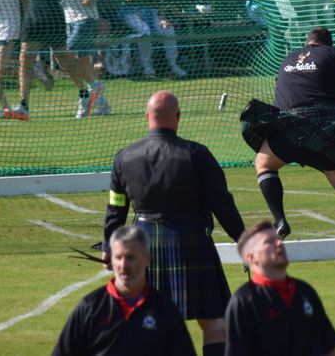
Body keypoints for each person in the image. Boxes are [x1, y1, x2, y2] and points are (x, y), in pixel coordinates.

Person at [102, 90, 245, 356]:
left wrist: (109, 246)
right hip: (192, 241)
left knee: (148, 319)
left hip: (142, 245)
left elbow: (116, 207)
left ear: (147, 117)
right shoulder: (197, 154)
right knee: (215, 321)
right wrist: (244, 241)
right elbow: (222, 204)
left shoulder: (124, 157)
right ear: (178, 117)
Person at [241, 26, 335, 238]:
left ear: (308, 42)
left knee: (264, 163)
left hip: (292, 127)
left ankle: (280, 221)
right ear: (329, 43)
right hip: (328, 129)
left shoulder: (288, 59)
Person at [53, 225, 196, 356]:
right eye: (118, 257)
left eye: (130, 258)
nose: (124, 265)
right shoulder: (90, 307)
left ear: (147, 259)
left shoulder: (165, 310)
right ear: (111, 261)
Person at [225, 220, 335, 356]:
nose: (280, 243)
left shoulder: (305, 291)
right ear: (251, 257)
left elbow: (328, 348)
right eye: (269, 242)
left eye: (279, 239)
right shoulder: (243, 301)